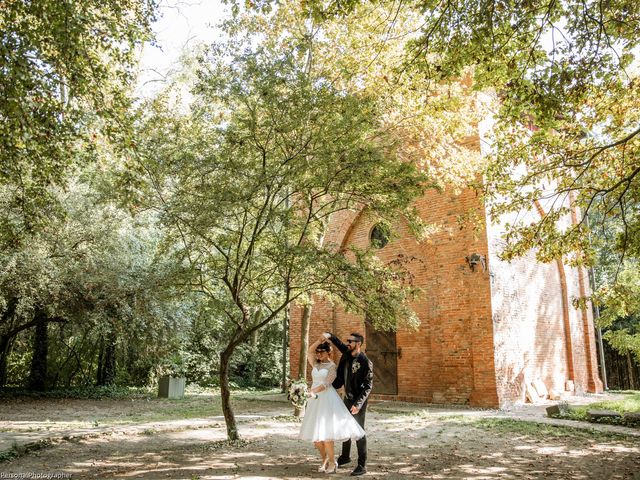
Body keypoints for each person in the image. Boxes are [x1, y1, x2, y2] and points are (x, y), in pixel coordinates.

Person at [299, 337, 365, 474]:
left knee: (326, 435)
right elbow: (309, 351)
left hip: (326, 399)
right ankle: (325, 460)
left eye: (322, 352)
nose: (318, 354)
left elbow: (326, 384)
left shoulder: (332, 366)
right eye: (318, 352)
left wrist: (311, 391)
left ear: (329, 353)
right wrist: (319, 340)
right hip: (314, 401)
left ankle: (332, 463)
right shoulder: (315, 364)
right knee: (316, 439)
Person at [324, 332, 373, 476]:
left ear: (358, 344)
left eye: (350, 341)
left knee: (359, 432)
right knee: (345, 428)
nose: (347, 343)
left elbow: (368, 386)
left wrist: (358, 404)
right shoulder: (347, 353)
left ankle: (362, 465)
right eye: (348, 341)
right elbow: (339, 344)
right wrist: (329, 336)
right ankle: (345, 457)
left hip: (358, 401)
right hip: (347, 397)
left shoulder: (365, 362)